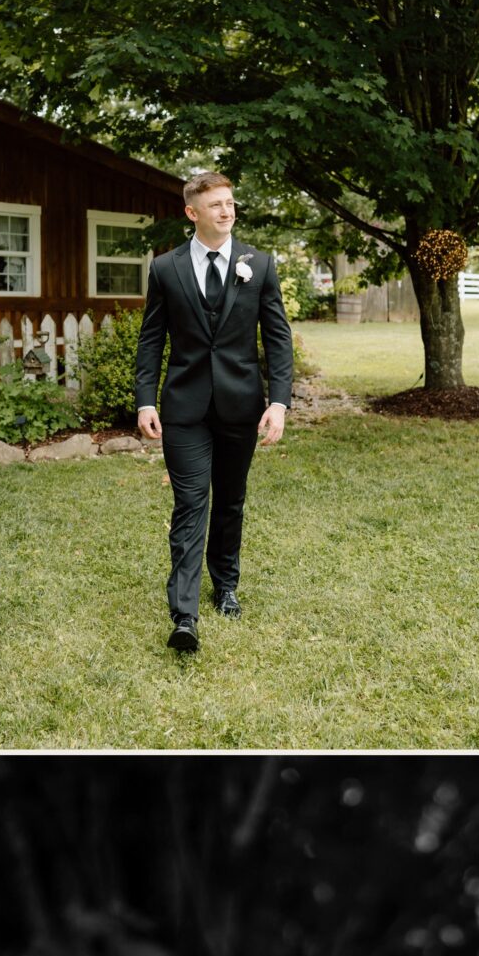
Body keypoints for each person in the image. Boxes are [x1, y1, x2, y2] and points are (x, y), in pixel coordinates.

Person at [135, 170, 296, 655]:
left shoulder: (259, 265)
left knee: (229, 500)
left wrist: (280, 401)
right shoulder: (166, 268)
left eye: (230, 203)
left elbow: (277, 337)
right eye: (216, 204)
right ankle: (184, 615)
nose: (227, 211)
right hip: (183, 407)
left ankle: (225, 585)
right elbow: (151, 338)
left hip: (240, 404)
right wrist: (145, 398)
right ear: (192, 212)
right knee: (190, 504)